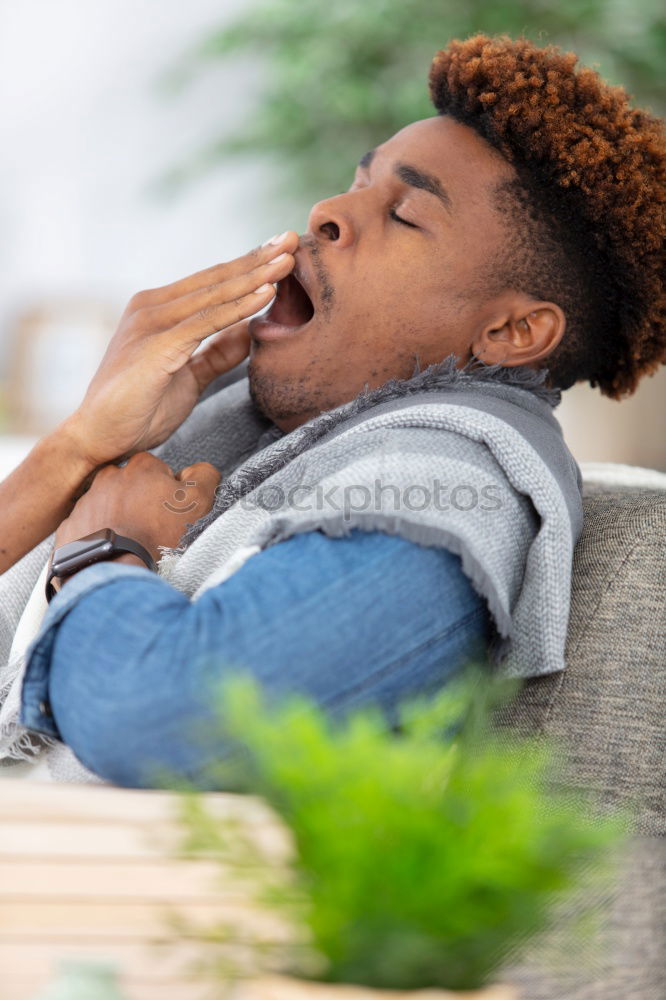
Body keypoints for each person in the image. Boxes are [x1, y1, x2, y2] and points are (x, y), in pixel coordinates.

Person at [0, 34, 663, 787]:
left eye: (406, 215)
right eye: (357, 180)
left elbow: (161, 720)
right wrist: (80, 444)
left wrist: (104, 549)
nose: (327, 212)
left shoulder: (445, 482)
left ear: (511, 333)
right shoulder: (255, 421)